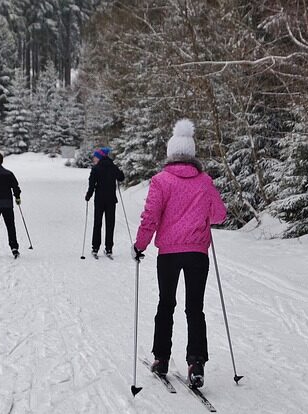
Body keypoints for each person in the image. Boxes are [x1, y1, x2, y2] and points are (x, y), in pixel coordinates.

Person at [133, 119, 227, 388]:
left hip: (169, 255)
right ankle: (196, 363)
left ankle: (161, 358)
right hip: (198, 253)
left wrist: (140, 245)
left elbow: (150, 216)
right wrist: (202, 212)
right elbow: (220, 215)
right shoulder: (205, 181)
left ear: (171, 154)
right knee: (194, 308)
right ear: (192, 153)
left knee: (166, 304)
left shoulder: (160, 181)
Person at [85, 147, 125, 257]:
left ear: (100, 157)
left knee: (97, 223)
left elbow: (92, 184)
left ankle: (95, 247)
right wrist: (118, 170)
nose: (94, 159)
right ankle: (109, 248)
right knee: (110, 224)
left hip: (99, 200)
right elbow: (121, 177)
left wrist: (88, 196)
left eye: (95, 156)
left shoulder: (96, 169)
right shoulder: (113, 167)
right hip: (111, 200)